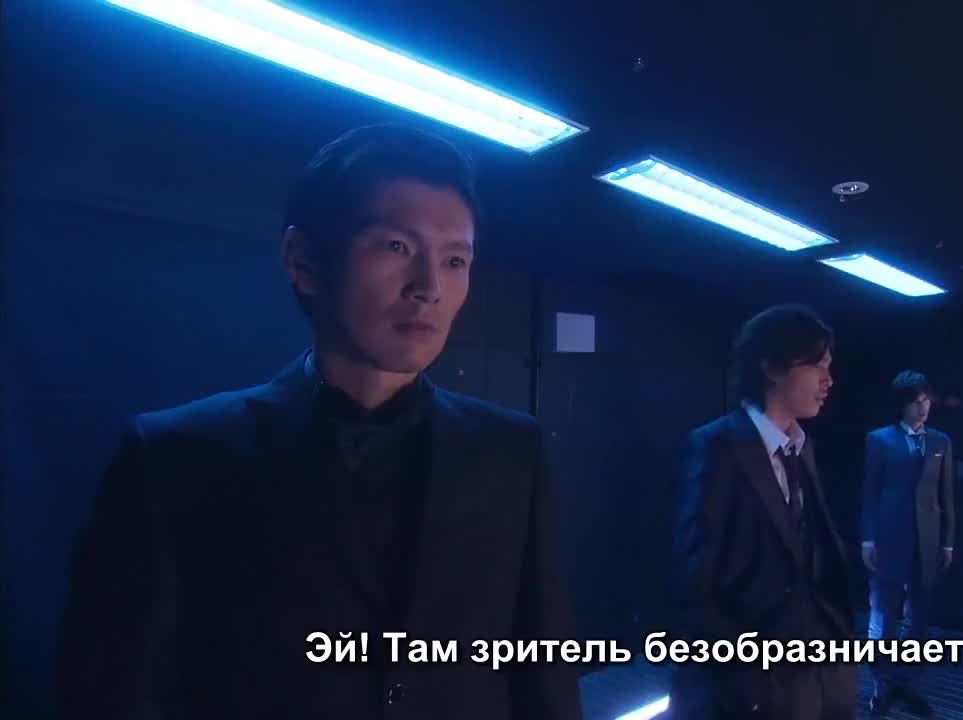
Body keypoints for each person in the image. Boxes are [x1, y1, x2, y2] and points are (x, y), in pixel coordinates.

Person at [55, 124, 582, 720]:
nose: (429, 287)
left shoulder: (511, 453)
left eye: (455, 260)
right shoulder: (174, 457)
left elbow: (541, 666)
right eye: (396, 247)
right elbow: (113, 693)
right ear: (303, 261)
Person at [669, 304, 856, 720]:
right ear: (771, 367)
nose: (828, 380)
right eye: (817, 365)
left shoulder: (802, 447)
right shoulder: (716, 447)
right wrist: (743, 678)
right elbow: (695, 583)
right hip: (753, 680)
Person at [860, 370, 954, 717]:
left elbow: (946, 496)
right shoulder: (879, 439)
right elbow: (870, 492)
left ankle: (908, 683)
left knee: (919, 617)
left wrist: (948, 543)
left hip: (927, 540)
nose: (923, 407)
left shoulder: (941, 441)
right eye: (916, 402)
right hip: (888, 537)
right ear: (902, 405)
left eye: (926, 400)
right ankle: (882, 685)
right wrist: (868, 538)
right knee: (884, 615)